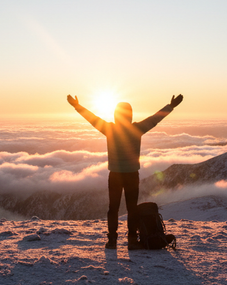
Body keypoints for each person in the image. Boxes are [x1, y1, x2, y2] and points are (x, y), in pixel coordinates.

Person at [67, 93, 183, 249]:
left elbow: (91, 118)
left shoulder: (109, 129)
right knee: (132, 208)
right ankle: (132, 240)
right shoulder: (137, 128)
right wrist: (171, 106)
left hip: (115, 175)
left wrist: (76, 106)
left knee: (113, 208)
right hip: (132, 175)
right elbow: (155, 118)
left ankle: (112, 240)